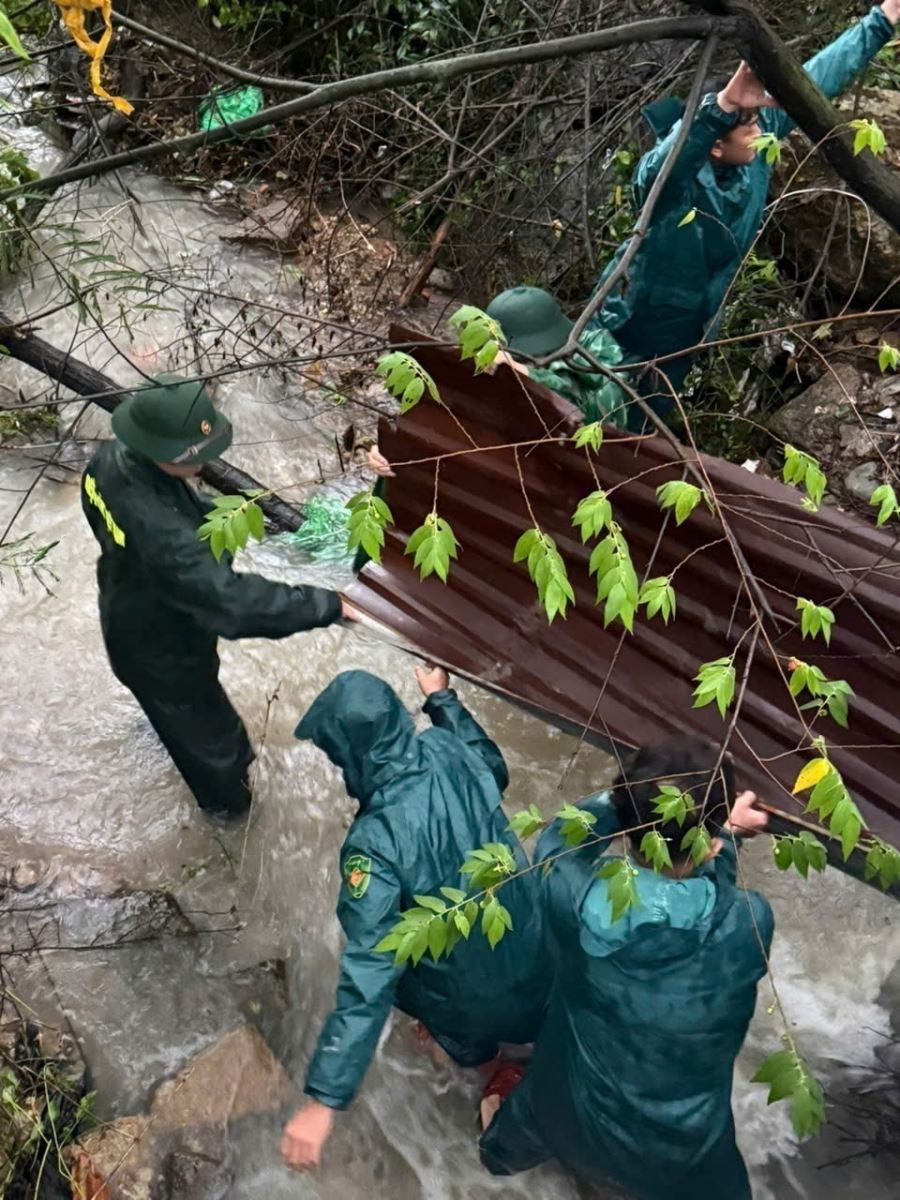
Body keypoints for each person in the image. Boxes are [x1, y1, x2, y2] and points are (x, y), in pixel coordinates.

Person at [479, 736, 773, 1200]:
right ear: (710, 843)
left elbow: (560, 841)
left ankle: (496, 1153)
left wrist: (630, 800)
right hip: (681, 1156)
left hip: (566, 1116)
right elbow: (717, 902)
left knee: (524, 1121)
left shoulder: (571, 899)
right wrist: (727, 834)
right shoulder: (751, 921)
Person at [281, 665, 549, 1171]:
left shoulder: (371, 846)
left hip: (472, 1008)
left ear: (347, 755)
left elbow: (371, 971)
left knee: (407, 970)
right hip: (537, 955)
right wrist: (442, 700)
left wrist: (323, 1100)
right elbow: (495, 768)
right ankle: (530, 1055)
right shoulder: (447, 747)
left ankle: (492, 1069)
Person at [588, 2, 900, 421]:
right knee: (590, 412)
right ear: (717, 143)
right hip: (625, 326)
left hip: (686, 334)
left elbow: (816, 80)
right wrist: (720, 107)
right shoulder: (676, 184)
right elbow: (659, 170)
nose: (759, 130)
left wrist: (881, 20)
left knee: (644, 425)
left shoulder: (753, 151)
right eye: (747, 125)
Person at [82, 372, 352, 817]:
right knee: (222, 756)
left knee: (176, 718)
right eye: (194, 454)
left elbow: (160, 518)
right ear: (160, 449)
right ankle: (231, 823)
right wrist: (327, 604)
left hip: (125, 609)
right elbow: (235, 604)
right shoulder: (167, 540)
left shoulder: (106, 462)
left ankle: (164, 731)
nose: (206, 462)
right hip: (165, 655)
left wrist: (234, 520)